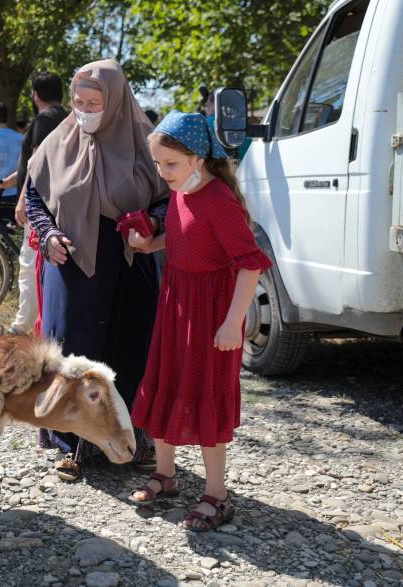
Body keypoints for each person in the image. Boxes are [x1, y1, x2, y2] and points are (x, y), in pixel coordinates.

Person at [126, 111, 271, 532]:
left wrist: (232, 324)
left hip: (212, 312)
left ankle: (216, 494)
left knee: (206, 392)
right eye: (157, 163)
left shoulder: (220, 201)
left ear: (199, 159)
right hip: (177, 303)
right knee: (167, 381)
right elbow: (181, 233)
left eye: (169, 163)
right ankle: (166, 475)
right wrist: (150, 243)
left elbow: (250, 265)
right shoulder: (180, 191)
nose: (162, 172)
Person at [25, 59, 168, 481]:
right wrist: (48, 235)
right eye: (77, 101)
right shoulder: (57, 141)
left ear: (117, 102)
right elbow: (35, 199)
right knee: (75, 350)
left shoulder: (146, 141)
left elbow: (168, 196)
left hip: (130, 259)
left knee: (130, 346)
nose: (84, 110)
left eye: (94, 102)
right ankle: (74, 444)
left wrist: (153, 223)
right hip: (72, 264)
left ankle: (133, 437)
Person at [0, 72, 67, 334]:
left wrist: (23, 198)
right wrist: (7, 182)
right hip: (56, 201)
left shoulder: (45, 119)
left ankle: (22, 327)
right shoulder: (66, 117)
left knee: (30, 262)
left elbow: (36, 163)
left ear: (35, 94)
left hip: (40, 204)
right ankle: (37, 321)